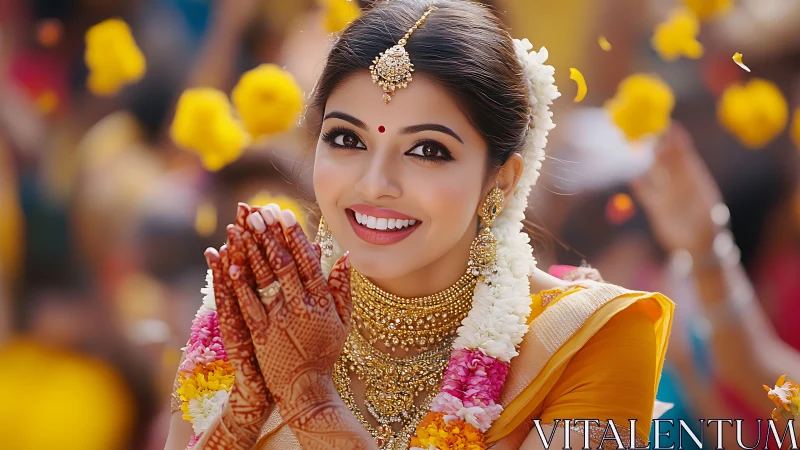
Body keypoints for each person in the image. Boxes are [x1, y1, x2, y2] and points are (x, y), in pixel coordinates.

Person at [164, 1, 674, 449]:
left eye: (427, 150)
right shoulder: (261, 318)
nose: (374, 183)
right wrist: (241, 417)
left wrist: (310, 400)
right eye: (346, 139)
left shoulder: (586, 339)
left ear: (501, 180)